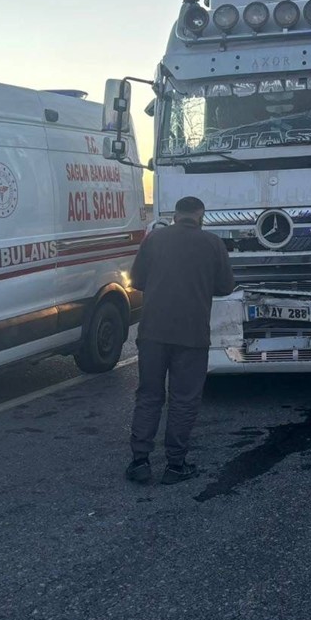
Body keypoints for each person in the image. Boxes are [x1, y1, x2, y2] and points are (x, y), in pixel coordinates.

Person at [125, 196, 235, 485]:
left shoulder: (154, 240)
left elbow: (137, 281)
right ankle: (175, 465)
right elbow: (225, 286)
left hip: (152, 332)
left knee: (148, 395)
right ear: (201, 215)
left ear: (175, 215)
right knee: (184, 399)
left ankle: (139, 461)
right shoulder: (213, 244)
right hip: (191, 333)